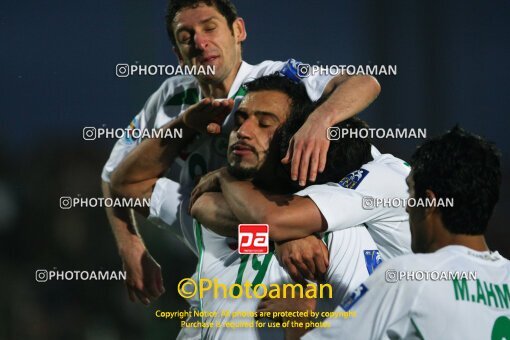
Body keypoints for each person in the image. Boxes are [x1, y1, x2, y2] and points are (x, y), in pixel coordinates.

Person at [102, 0, 380, 305]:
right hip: (230, 242)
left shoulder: (277, 82)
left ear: (238, 30)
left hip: (301, 249)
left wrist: (320, 119)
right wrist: (130, 246)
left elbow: (364, 82)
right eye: (186, 36)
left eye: (210, 27)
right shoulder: (170, 99)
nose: (199, 41)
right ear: (178, 56)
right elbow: (116, 175)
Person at [112, 75, 381, 339]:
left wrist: (306, 320)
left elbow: (366, 325)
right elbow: (127, 183)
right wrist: (184, 125)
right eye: (240, 120)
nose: (243, 131)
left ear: (293, 137)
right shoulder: (208, 205)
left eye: (264, 124)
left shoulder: (337, 230)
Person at [292, 126, 510, 339]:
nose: (406, 206)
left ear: (429, 202)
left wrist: (300, 316)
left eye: (411, 192)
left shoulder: (407, 278)